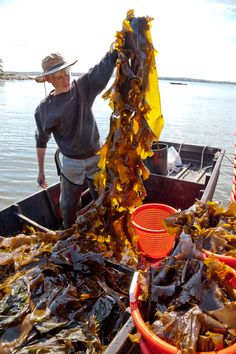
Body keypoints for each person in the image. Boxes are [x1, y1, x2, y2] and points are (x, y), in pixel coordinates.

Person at [34, 49, 118, 229]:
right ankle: (68, 233)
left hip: (97, 155)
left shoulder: (83, 87)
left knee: (104, 199)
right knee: (67, 205)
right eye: (58, 77)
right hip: (71, 162)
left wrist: (115, 51)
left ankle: (108, 229)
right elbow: (41, 140)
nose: (65, 79)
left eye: (67, 73)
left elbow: (101, 69)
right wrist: (41, 171)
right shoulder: (44, 109)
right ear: (48, 80)